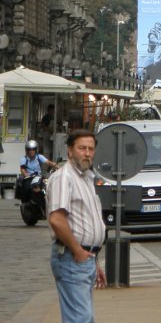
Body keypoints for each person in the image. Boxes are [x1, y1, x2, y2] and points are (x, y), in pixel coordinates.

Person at [47, 129, 106, 323]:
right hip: (71, 258)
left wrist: (93, 260)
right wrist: (78, 251)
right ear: (70, 151)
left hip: (84, 258)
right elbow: (57, 219)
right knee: (80, 319)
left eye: (91, 149)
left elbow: (85, 223)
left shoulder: (86, 178)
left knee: (84, 318)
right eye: (82, 148)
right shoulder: (64, 177)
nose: (87, 153)